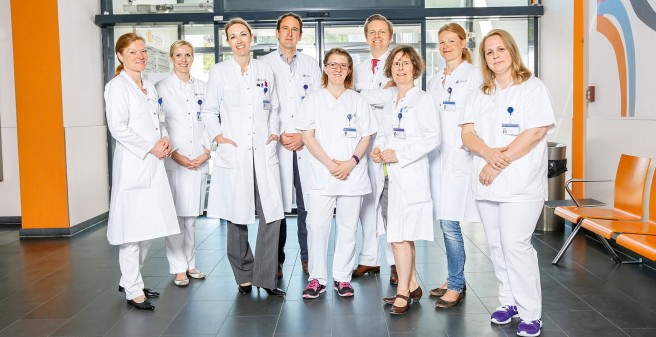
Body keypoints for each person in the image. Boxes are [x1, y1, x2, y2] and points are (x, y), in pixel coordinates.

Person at [461, 29, 555, 337]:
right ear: (484, 58)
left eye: (500, 49)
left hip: (521, 183)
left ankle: (531, 313)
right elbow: (467, 134)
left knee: (516, 245)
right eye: (489, 52)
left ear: (512, 51)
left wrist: (497, 162)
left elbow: (535, 132)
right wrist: (488, 153)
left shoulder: (532, 87)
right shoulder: (481, 92)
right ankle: (508, 302)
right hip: (487, 181)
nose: (495, 55)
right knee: (497, 246)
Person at [201, 17, 285, 297]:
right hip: (235, 154)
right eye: (233, 36)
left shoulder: (265, 69)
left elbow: (274, 108)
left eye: (243, 35)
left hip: (263, 151)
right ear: (228, 42)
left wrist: (273, 133)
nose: (239, 40)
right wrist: (219, 138)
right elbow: (209, 111)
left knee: (272, 215)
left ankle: (265, 276)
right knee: (236, 218)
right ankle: (244, 274)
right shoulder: (219, 71)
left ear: (251, 38)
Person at [104, 33, 180, 310]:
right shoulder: (116, 87)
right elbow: (118, 128)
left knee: (149, 227)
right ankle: (133, 289)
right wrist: (151, 147)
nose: (140, 56)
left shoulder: (149, 85)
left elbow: (160, 120)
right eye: (133, 52)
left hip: (154, 162)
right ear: (121, 56)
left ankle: (130, 278)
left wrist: (166, 138)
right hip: (135, 164)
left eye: (143, 51)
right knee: (132, 232)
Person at [297, 48, 375, 299]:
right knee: (316, 226)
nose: (338, 69)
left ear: (349, 70)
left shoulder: (358, 100)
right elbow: (307, 136)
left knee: (348, 228)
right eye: (333, 65)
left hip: (352, 174)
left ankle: (342, 278)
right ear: (326, 68)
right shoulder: (313, 100)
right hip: (322, 174)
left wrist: (351, 162)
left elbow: (366, 135)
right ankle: (316, 279)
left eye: (343, 65)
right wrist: (330, 164)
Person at [372, 45, 440, 315]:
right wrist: (379, 149)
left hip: (409, 174)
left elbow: (432, 137)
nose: (400, 68)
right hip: (389, 176)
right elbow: (384, 134)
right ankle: (412, 285)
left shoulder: (422, 100)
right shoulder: (391, 101)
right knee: (399, 236)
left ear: (415, 68)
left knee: (400, 237)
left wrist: (398, 154)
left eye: (406, 63)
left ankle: (402, 292)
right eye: (396, 63)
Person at [261, 12, 321, 278]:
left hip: (305, 145)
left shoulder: (311, 64)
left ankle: (309, 258)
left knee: (308, 205)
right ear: (276, 33)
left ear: (300, 35)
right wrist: (280, 133)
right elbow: (260, 107)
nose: (289, 33)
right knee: (277, 207)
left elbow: (319, 106)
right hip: (276, 145)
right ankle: (276, 260)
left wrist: (302, 135)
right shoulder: (262, 65)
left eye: (294, 29)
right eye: (284, 28)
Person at [426, 23, 482, 309]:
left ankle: (456, 284)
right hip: (437, 157)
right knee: (446, 221)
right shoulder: (435, 79)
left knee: (449, 223)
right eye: (442, 42)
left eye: (451, 40)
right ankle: (452, 277)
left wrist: (465, 147)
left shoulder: (474, 75)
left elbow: (480, 112)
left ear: (463, 43)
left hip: (459, 157)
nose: (446, 46)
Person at [155, 40, 209, 287]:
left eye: (188, 54)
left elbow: (210, 121)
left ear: (193, 57)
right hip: (175, 160)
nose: (184, 59)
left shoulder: (203, 88)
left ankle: (190, 263)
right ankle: (178, 268)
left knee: (191, 218)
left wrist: (207, 152)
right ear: (171, 57)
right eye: (178, 55)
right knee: (176, 216)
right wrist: (176, 154)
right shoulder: (161, 87)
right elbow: (160, 125)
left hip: (198, 158)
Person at [352, 14, 398, 285]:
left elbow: (394, 96)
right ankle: (370, 259)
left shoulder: (397, 62)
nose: (377, 37)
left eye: (382, 32)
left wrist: (361, 95)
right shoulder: (357, 67)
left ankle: (395, 263)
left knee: (391, 207)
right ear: (366, 36)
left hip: (389, 143)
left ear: (390, 37)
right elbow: (349, 98)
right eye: (372, 32)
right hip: (363, 142)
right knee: (366, 204)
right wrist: (377, 95)